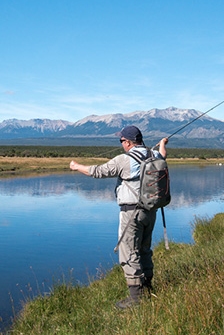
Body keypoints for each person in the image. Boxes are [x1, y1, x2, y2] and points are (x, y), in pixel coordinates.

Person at [70, 125, 168, 309]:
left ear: (129, 142)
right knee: (144, 250)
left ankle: (136, 299)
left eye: (122, 140)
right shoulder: (154, 155)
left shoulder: (124, 160)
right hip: (151, 211)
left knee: (129, 252)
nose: (121, 143)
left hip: (131, 213)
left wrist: (76, 166)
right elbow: (163, 155)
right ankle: (147, 288)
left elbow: (97, 172)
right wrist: (163, 143)